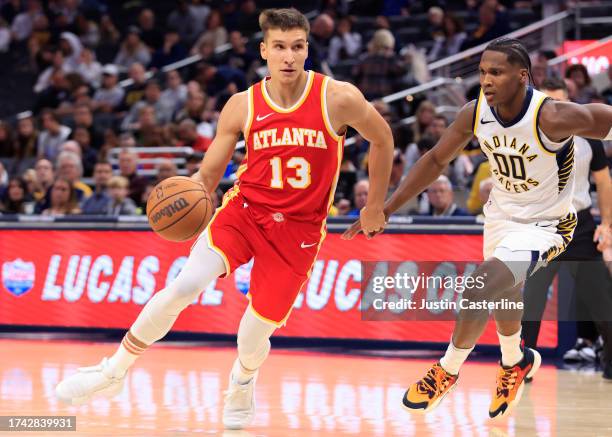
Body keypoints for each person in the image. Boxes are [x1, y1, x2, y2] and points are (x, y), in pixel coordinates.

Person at [56, 8, 393, 431]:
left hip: (299, 231)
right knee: (184, 285)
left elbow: (382, 138)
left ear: (307, 49)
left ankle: (242, 380)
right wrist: (192, 192)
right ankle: (112, 371)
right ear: (264, 51)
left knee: (252, 338)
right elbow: (208, 175)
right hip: (244, 211)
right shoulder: (242, 105)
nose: (289, 56)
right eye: (279, 47)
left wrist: (375, 203)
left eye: (297, 47)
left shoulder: (337, 98)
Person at [343, 37, 612, 419]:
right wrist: (385, 208)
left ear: (522, 76)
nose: (486, 80)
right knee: (504, 293)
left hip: (547, 225)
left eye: (496, 73)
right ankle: (515, 361)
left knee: (479, 287)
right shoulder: (474, 112)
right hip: (501, 216)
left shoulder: (552, 116)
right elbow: (436, 160)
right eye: (483, 72)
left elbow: (605, 118)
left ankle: (447, 370)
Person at [520, 77, 612, 379]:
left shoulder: (589, 138)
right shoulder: (527, 137)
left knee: (601, 299)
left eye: (562, 102)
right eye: (551, 103)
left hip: (582, 225)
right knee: (531, 300)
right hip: (541, 224)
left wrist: (607, 224)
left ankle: (610, 363)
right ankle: (521, 366)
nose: (557, 109)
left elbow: (603, 180)